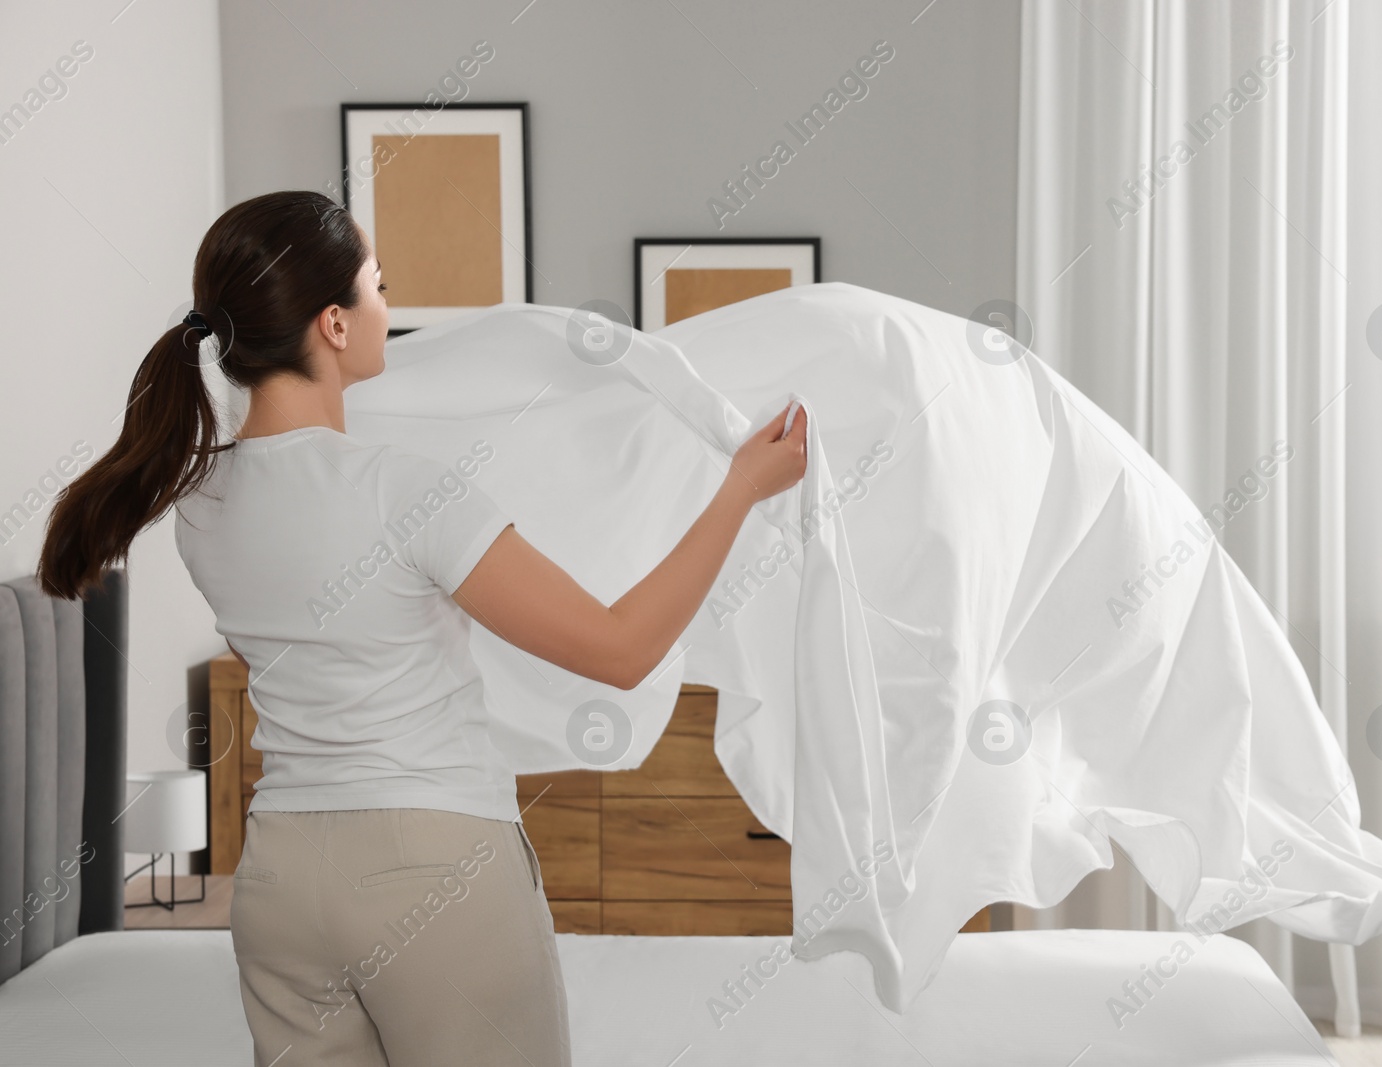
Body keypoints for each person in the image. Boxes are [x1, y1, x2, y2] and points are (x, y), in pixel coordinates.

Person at [35, 189, 807, 1067]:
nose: (388, 310)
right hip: (433, 868)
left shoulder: (201, 507)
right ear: (332, 323)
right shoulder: (406, 490)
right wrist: (741, 488)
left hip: (280, 879)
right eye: (378, 285)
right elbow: (622, 650)